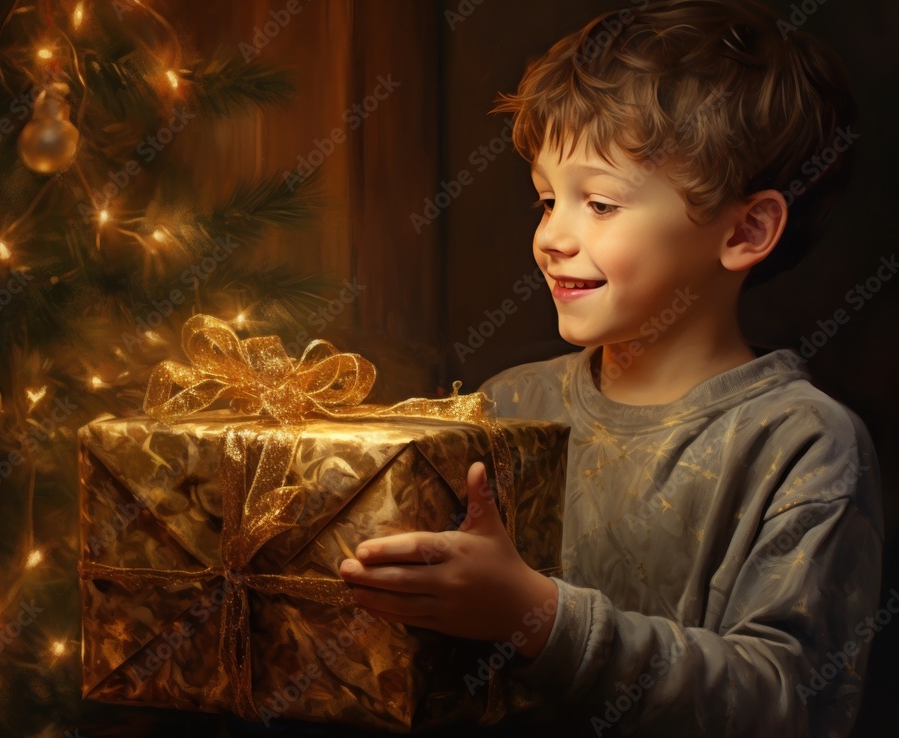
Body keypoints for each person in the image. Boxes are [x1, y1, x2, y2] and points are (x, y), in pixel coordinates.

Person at [338, 0, 883, 735]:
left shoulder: (803, 446)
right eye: (546, 199)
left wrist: (538, 617)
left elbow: (787, 704)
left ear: (746, 229)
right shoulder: (509, 406)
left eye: (598, 202)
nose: (553, 237)